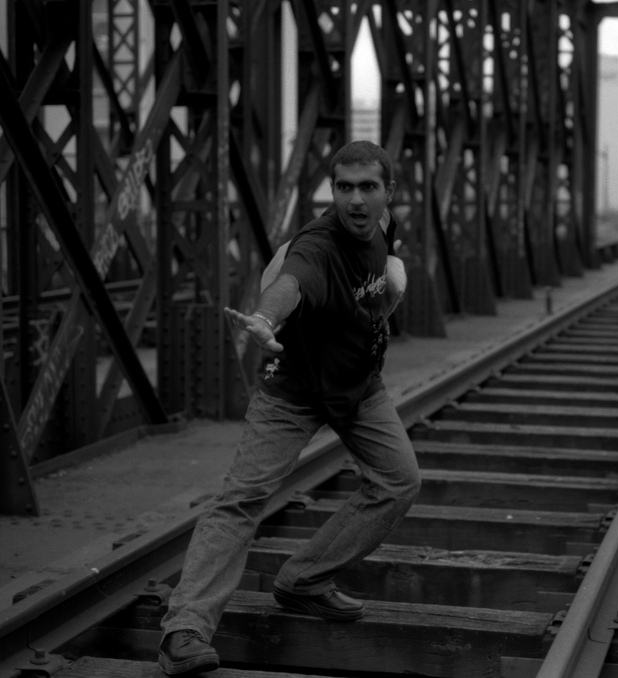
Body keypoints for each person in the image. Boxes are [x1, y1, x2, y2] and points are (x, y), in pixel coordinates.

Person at [157, 140, 420, 675]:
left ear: (387, 192)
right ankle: (183, 631)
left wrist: (386, 291)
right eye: (343, 187)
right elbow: (291, 283)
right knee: (241, 499)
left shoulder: (384, 224)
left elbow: (385, 263)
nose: (354, 200)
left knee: (399, 481)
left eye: (368, 187)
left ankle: (304, 580)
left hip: (358, 386)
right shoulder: (317, 248)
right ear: (332, 191)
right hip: (294, 391)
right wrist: (265, 318)